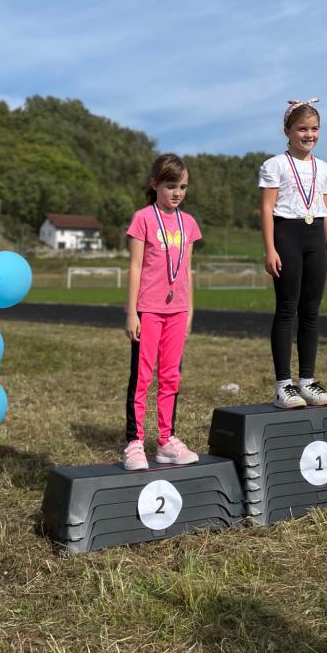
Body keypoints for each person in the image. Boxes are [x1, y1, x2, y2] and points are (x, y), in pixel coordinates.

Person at [259, 98, 327, 409]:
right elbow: (267, 208)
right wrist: (270, 249)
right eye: (302, 129)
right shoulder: (275, 165)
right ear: (287, 131)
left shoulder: (325, 168)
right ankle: (283, 386)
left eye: (314, 129)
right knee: (286, 309)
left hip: (315, 236)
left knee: (311, 311)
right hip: (286, 235)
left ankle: (307, 381)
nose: (309, 135)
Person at [123, 153, 202, 471]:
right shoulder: (143, 218)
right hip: (148, 310)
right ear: (154, 184)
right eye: (171, 186)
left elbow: (188, 270)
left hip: (178, 311)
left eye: (182, 187)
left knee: (170, 377)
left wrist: (190, 310)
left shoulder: (189, 223)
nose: (177, 193)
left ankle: (166, 441)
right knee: (142, 377)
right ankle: (134, 442)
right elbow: (135, 267)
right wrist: (132, 312)